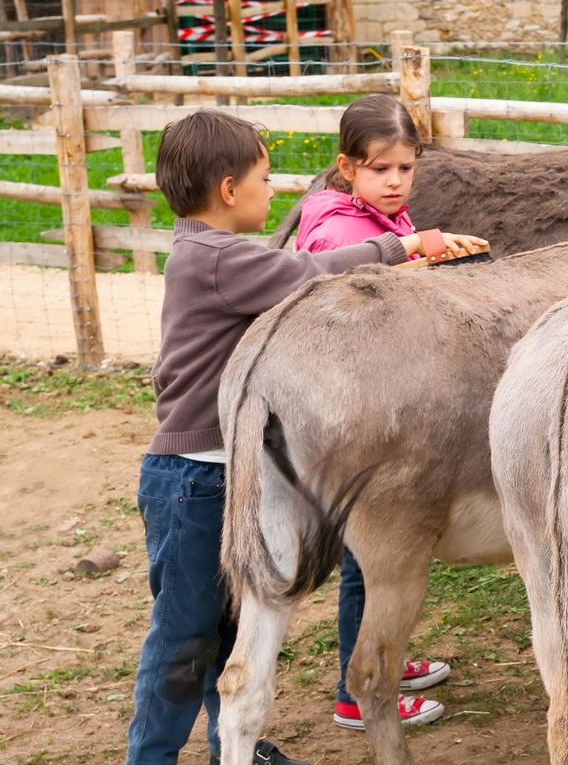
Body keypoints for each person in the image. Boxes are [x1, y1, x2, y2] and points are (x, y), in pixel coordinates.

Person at [127, 110, 454, 765]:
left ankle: (236, 748)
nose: (273, 191)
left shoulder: (212, 254)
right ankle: (151, 757)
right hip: (196, 479)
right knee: (185, 638)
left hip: (226, 470)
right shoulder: (217, 259)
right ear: (228, 191)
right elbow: (311, 273)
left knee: (228, 628)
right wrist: (401, 249)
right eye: (264, 178)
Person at [295, 94, 486, 730]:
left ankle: (382, 656)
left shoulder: (382, 220)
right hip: (358, 421)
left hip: (379, 413)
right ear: (348, 168)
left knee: (372, 559)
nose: (397, 182)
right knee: (367, 563)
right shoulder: (342, 233)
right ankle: (361, 690)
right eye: (382, 171)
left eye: (406, 168)